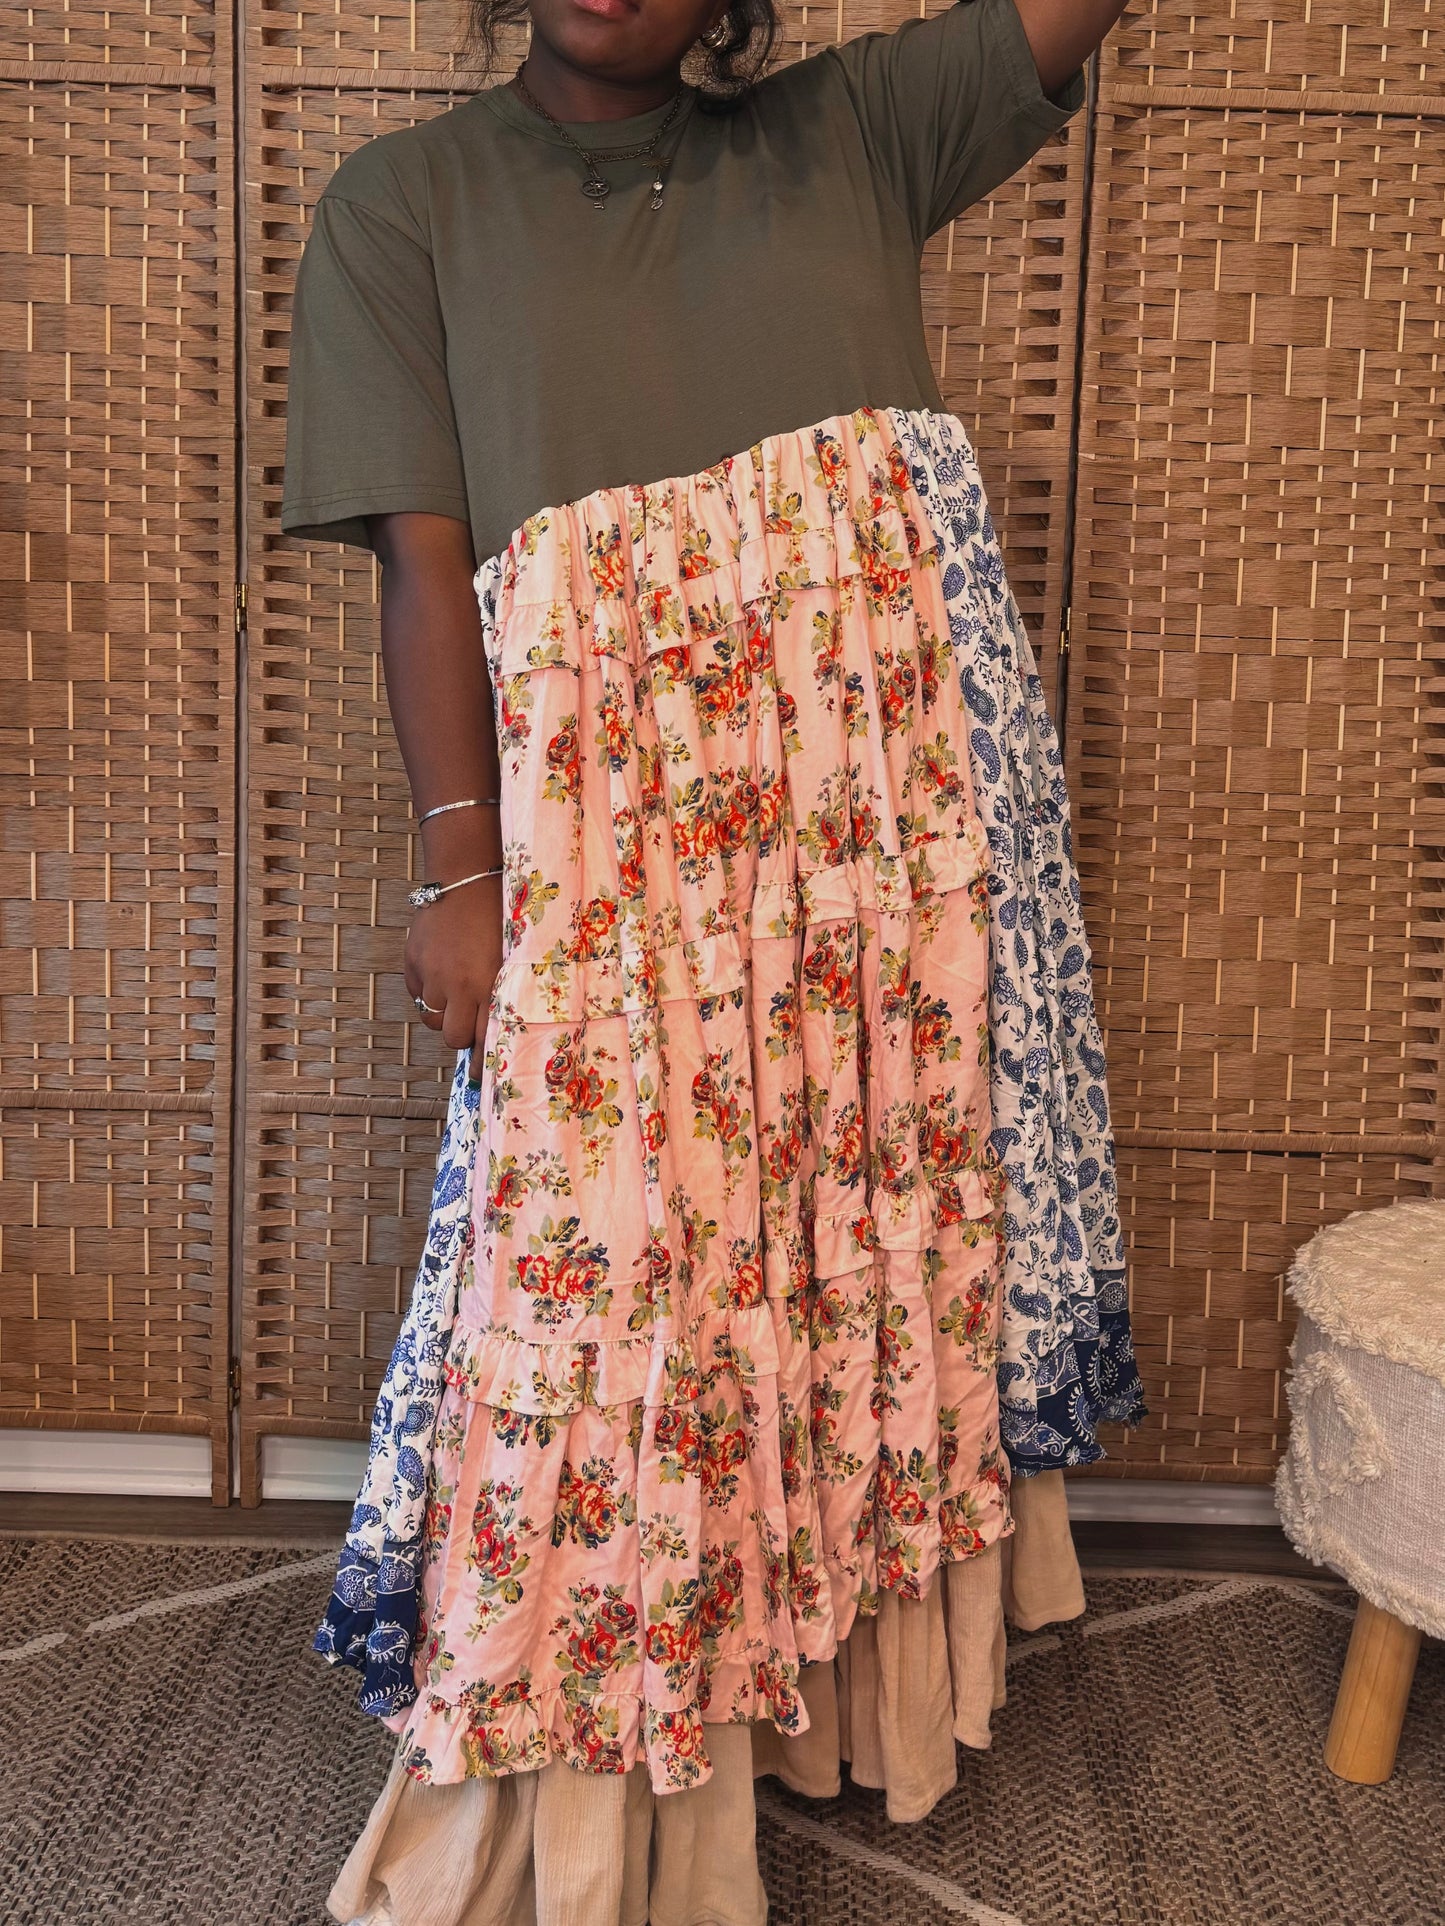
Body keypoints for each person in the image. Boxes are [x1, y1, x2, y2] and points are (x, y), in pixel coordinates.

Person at [281, 0, 1142, 1918]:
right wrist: (456, 864)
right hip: (603, 828)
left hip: (883, 829)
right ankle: (590, 1823)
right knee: (605, 1296)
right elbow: (425, 565)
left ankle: (822, 1712)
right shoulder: (402, 203)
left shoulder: (857, 129)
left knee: (856, 1259)